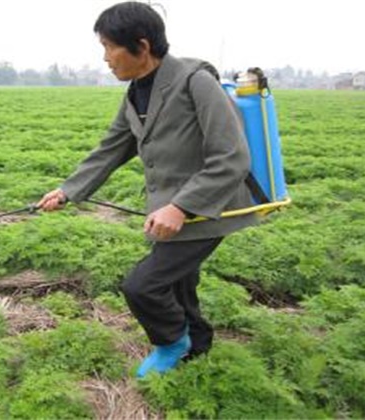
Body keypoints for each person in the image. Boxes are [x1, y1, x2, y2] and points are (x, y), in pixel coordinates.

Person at [37, 1, 257, 378]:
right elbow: (111, 148)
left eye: (109, 47)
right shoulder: (137, 92)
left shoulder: (194, 81)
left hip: (208, 208)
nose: (105, 58)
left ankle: (172, 342)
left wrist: (181, 207)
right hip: (170, 210)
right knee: (179, 283)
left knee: (142, 286)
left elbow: (232, 156)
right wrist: (68, 191)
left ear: (141, 45)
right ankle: (198, 346)